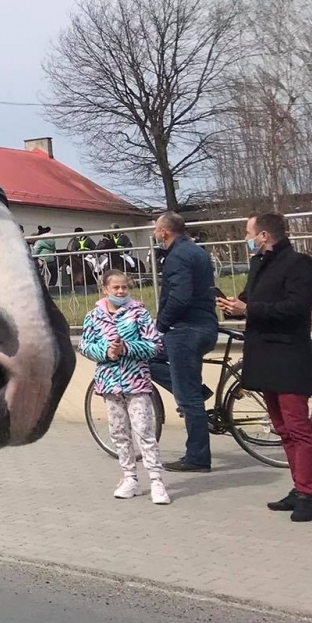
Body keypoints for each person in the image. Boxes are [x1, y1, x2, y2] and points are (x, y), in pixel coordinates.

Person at [218, 213, 312, 522]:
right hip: (264, 355)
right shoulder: (259, 264)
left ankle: (309, 495)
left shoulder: (298, 263)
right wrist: (233, 306)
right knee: (281, 428)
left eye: (248, 232)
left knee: (298, 427)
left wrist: (249, 308)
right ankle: (298, 487)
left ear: (264, 235)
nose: (245, 238)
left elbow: (297, 308)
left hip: (288, 355)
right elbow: (252, 302)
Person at [80, 271, 169, 504]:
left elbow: (155, 345)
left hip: (136, 381)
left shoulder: (139, 313)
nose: (120, 292)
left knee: (144, 430)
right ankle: (129, 477)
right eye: (115, 288)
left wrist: (126, 348)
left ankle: (156, 480)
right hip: (109, 383)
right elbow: (85, 345)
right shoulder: (93, 316)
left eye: (124, 288)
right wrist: (106, 352)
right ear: (105, 290)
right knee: (119, 431)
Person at [148, 211, 219, 472]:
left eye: (156, 230)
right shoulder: (196, 251)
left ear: (164, 232)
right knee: (154, 360)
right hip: (206, 327)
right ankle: (192, 389)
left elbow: (179, 298)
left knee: (189, 400)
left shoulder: (176, 256)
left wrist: (161, 325)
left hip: (185, 331)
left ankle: (197, 457)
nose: (155, 234)